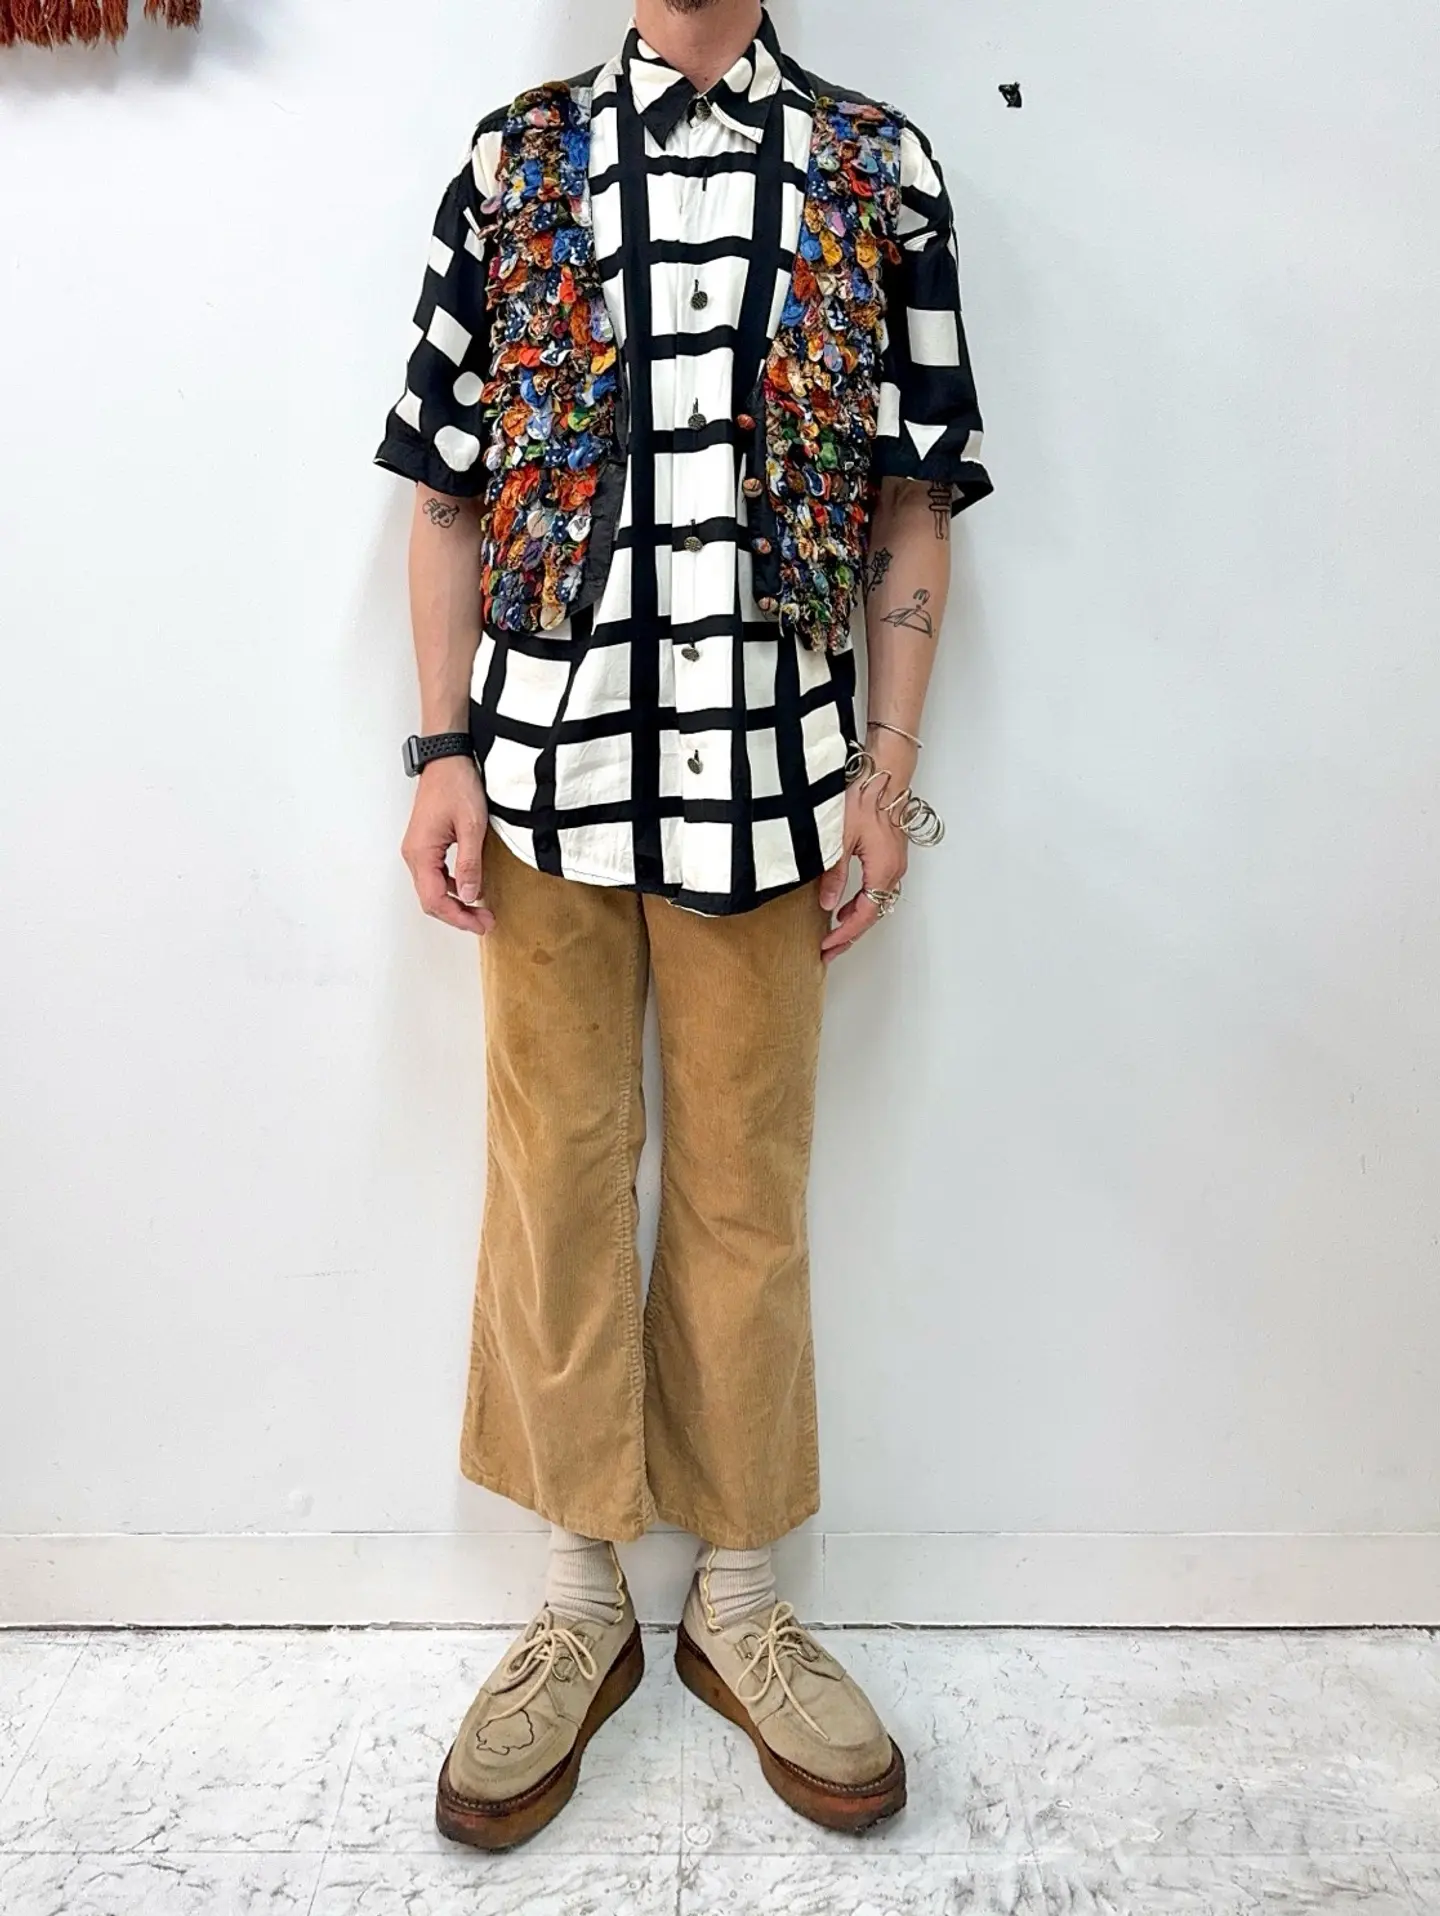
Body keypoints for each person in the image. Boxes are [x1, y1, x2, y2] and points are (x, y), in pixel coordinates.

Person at [374, 0, 991, 1851]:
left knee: (745, 1177)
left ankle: (735, 1598)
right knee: (556, 1174)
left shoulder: (878, 169)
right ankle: (578, 1599)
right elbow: (445, 492)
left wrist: (886, 771)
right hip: (547, 785)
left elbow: (915, 501)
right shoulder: (517, 162)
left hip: (775, 779)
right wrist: (441, 752)